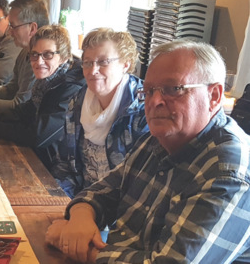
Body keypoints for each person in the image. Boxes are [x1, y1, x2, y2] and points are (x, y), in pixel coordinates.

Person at [45, 40, 250, 263]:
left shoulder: (229, 173)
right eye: (149, 91)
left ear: (214, 96)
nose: (155, 101)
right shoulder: (157, 139)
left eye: (174, 89)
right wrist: (80, 216)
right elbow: (104, 190)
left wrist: (77, 245)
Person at [0, 25, 85, 167]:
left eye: (48, 54)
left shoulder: (69, 89)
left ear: (64, 57)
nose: (39, 61)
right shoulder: (46, 83)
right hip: (38, 157)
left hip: (58, 171)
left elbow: (39, 136)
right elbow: (23, 112)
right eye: (34, 54)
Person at [53, 28, 148, 198]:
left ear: (125, 64)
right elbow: (64, 165)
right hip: (80, 201)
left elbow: (141, 186)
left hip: (121, 212)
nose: (93, 70)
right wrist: (62, 202)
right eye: (88, 62)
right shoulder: (78, 101)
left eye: (103, 62)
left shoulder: (143, 109)